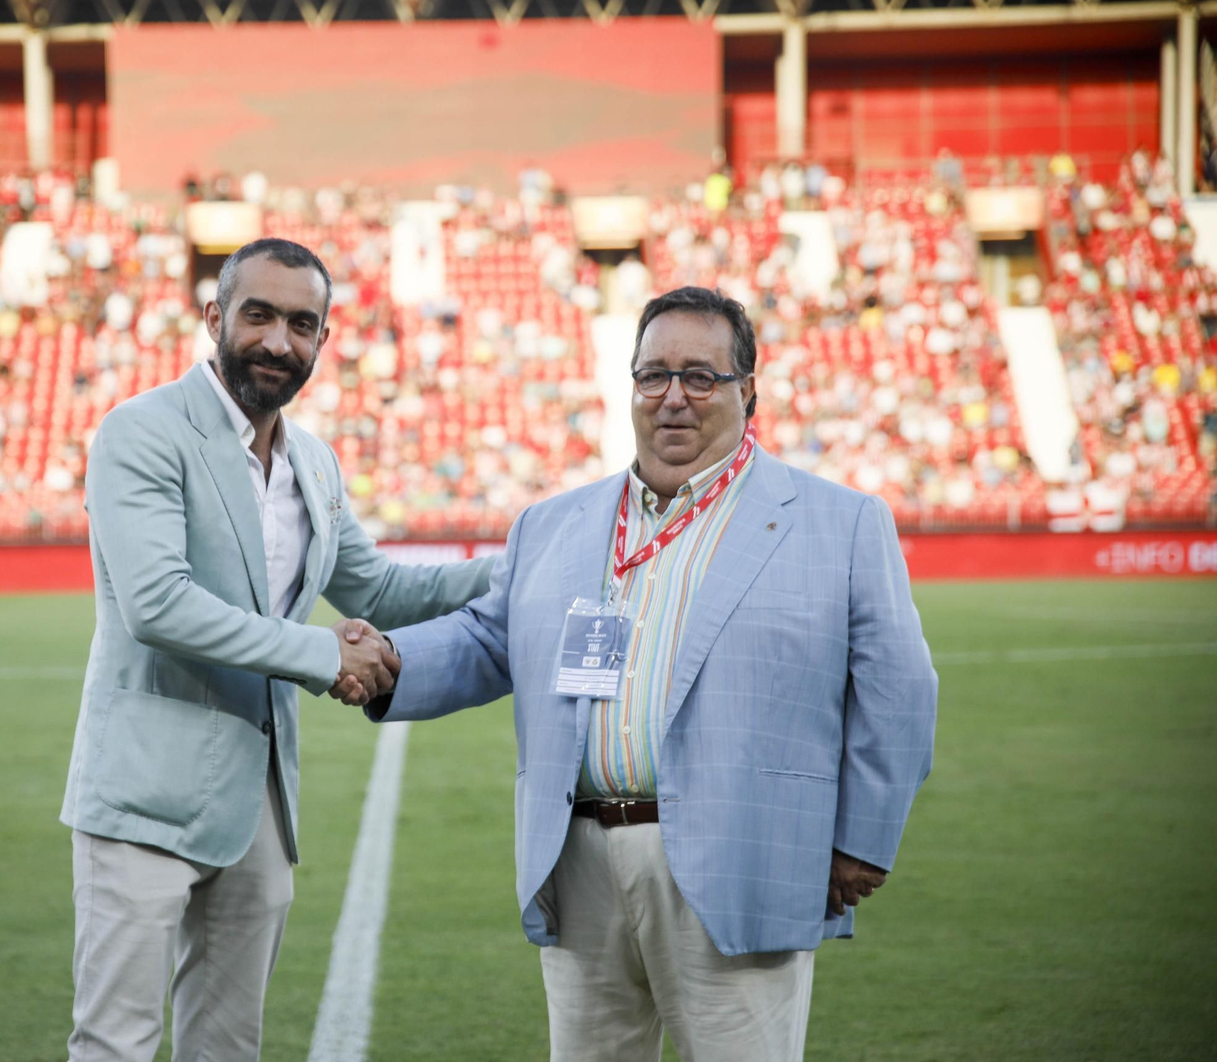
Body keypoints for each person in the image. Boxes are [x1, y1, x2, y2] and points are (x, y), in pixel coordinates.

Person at [354, 286, 937, 1061]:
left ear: (749, 392)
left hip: (741, 855)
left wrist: (862, 839)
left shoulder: (840, 521)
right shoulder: (555, 522)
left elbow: (900, 691)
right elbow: (492, 640)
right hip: (579, 858)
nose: (673, 399)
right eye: (652, 376)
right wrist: (393, 662)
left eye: (701, 377)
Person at [63, 238, 493, 1062]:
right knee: (116, 1043)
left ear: (323, 342)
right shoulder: (141, 432)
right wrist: (322, 655)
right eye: (258, 315)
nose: (277, 341)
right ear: (215, 317)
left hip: (258, 801)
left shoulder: (316, 464)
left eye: (302, 324)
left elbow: (383, 593)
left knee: (228, 1045)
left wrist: (526, 565)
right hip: (144, 794)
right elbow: (158, 604)